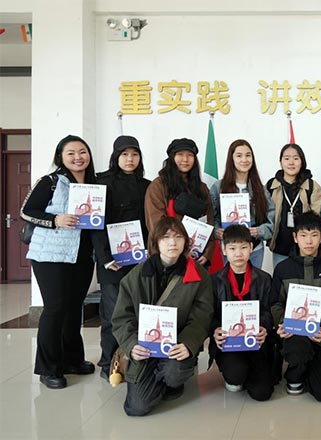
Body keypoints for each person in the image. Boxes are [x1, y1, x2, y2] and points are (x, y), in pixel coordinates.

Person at [112, 216, 214, 416]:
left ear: (186, 241)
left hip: (176, 344)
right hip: (144, 346)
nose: (172, 243)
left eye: (178, 237)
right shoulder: (137, 275)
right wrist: (132, 345)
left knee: (174, 374)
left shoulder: (199, 275)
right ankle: (154, 378)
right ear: (156, 242)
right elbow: (122, 317)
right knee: (137, 408)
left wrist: (188, 343)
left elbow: (202, 316)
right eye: (165, 237)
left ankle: (171, 378)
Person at [20, 134, 98, 389]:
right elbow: (26, 211)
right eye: (71, 153)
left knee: (74, 308)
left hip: (82, 256)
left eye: (82, 152)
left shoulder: (95, 184)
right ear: (60, 157)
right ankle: (48, 368)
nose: (78, 157)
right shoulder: (51, 182)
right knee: (55, 308)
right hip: (50, 255)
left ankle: (72, 360)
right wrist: (56, 220)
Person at [91, 135, 151, 381]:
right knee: (112, 314)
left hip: (140, 259)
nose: (130, 159)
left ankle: (133, 360)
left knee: (139, 312)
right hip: (111, 261)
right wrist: (105, 257)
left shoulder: (147, 185)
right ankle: (109, 362)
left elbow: (150, 225)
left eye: (134, 154)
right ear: (116, 157)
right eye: (124, 154)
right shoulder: (102, 182)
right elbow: (95, 224)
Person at [270, 212, 321, 401]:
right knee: (298, 349)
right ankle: (295, 373)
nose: (309, 241)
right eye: (303, 235)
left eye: (314, 235)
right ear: (295, 237)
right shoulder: (283, 269)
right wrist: (283, 322)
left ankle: (313, 367)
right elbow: (275, 303)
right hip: (295, 334)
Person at [209, 225, 274, 401]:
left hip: (256, 340)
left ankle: (252, 370)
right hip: (228, 341)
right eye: (232, 248)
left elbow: (269, 310)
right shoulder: (214, 281)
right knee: (236, 377)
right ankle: (236, 372)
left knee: (262, 393)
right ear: (224, 250)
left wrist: (263, 327)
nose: (238, 253)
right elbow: (209, 314)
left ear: (251, 248)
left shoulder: (264, 279)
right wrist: (215, 330)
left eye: (243, 247)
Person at [145, 138, 216, 266]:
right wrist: (180, 249)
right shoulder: (158, 186)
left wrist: (207, 253)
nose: (185, 159)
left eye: (190, 155)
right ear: (172, 157)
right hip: (166, 256)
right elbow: (156, 223)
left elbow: (209, 221)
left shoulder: (202, 188)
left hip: (197, 256)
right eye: (180, 154)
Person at [210, 139, 274, 269]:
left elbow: (272, 220)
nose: (244, 160)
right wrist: (216, 231)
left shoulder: (260, 189)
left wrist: (259, 231)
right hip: (229, 249)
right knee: (229, 281)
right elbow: (212, 216)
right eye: (239, 156)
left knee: (254, 281)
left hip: (254, 248)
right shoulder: (218, 187)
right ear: (231, 159)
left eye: (248, 155)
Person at [266, 143, 321, 269]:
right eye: (287, 158)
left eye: (296, 158)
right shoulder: (271, 185)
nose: (291, 162)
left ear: (302, 162)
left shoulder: (312, 186)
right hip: (280, 247)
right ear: (280, 162)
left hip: (306, 248)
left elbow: (318, 218)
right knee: (282, 279)